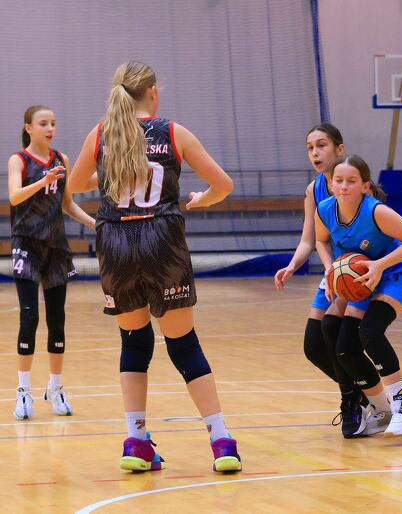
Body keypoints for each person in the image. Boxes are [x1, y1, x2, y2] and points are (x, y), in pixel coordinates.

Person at [68, 61, 242, 471]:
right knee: (184, 345)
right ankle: (221, 442)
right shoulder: (173, 132)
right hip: (161, 241)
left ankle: (136, 442)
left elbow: (74, 185)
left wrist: (110, 172)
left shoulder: (101, 134)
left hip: (116, 243)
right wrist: (202, 200)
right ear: (153, 93)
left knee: (134, 343)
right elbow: (223, 185)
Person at [315, 154, 402, 437]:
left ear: (365, 185)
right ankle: (383, 411)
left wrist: (380, 265)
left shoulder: (376, 211)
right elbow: (321, 240)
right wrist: (330, 269)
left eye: (351, 181)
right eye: (338, 180)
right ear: (330, 183)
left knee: (370, 331)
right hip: (364, 276)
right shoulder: (325, 209)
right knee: (344, 347)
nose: (343, 186)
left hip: (398, 270)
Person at [274, 124, 369, 438]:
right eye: (310, 147)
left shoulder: (356, 182)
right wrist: (292, 266)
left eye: (322, 145)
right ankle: (361, 393)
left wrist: (348, 270)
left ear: (339, 149)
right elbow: (311, 239)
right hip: (336, 271)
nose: (315, 152)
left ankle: (355, 401)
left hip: (361, 270)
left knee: (338, 337)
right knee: (313, 346)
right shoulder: (313, 190)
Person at [9, 105, 95, 420]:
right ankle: (23, 391)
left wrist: (96, 224)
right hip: (26, 246)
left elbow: (68, 204)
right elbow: (15, 197)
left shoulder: (62, 160)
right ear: (29, 128)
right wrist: (42, 181)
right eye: (43, 123)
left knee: (57, 320)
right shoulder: (19, 160)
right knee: (29, 318)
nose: (50, 129)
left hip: (56, 248)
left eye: (53, 123)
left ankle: (55, 387)